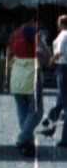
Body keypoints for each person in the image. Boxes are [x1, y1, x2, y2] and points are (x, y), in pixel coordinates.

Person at [6, 18, 50, 158]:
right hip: (31, 74)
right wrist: (48, 58)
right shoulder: (31, 31)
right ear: (32, 21)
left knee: (23, 111)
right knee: (37, 111)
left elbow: (8, 54)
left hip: (17, 74)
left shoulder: (13, 35)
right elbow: (43, 49)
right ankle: (22, 138)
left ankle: (28, 144)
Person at [48, 14, 67, 146]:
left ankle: (51, 118)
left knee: (63, 96)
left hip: (63, 66)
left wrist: (50, 62)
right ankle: (51, 117)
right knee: (61, 96)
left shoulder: (63, 35)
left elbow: (59, 52)